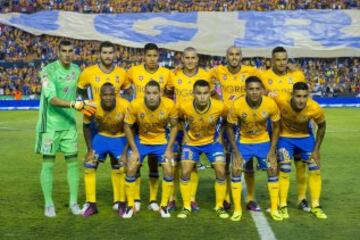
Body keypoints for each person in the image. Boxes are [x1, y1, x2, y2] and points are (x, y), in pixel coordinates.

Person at [35, 40, 94, 217]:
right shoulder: (47, 72)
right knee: (48, 163)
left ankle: (73, 203)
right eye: (64, 51)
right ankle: (48, 204)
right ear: (58, 52)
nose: (67, 54)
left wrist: (88, 103)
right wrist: (73, 104)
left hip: (69, 125)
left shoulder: (77, 70)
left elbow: (83, 92)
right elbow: (51, 99)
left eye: (70, 51)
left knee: (73, 163)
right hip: (50, 127)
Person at [77, 41, 131, 212]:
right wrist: (86, 103)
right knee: (91, 161)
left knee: (119, 163)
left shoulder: (121, 73)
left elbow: (129, 91)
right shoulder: (89, 72)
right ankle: (91, 203)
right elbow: (80, 89)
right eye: (105, 52)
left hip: (117, 125)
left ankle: (119, 201)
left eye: (110, 53)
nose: (108, 56)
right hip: (97, 125)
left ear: (115, 54)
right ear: (99, 54)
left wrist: (125, 104)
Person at [210, 45, 261, 211]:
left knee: (248, 163)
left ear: (241, 56)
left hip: (245, 123)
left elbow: (266, 82)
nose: (234, 57)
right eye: (231, 54)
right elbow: (201, 78)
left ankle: (251, 199)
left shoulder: (251, 72)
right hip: (224, 123)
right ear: (226, 56)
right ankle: (225, 199)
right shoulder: (217, 71)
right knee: (224, 162)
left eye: (237, 54)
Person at [260, 46, 311, 212]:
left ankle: (302, 198)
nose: (281, 63)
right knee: (279, 164)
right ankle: (278, 201)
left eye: (284, 59)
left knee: (301, 163)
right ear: (272, 60)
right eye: (278, 60)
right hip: (276, 125)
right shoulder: (264, 76)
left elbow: (305, 99)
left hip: (299, 125)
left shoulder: (297, 76)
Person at [226, 76, 282, 221]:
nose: (254, 92)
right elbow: (230, 129)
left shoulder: (270, 104)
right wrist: (236, 152)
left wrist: (272, 150)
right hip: (243, 142)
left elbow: (276, 127)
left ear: (262, 90)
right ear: (246, 90)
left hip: (263, 141)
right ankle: (237, 209)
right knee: (236, 169)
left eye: (257, 89)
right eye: (251, 89)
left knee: (272, 169)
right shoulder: (237, 105)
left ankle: (274, 209)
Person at [166, 47, 214, 212]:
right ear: (182, 59)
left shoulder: (205, 76)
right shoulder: (174, 75)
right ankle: (172, 199)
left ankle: (191, 199)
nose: (190, 61)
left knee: (191, 163)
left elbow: (211, 97)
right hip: (176, 126)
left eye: (193, 58)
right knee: (172, 164)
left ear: (197, 59)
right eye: (187, 57)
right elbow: (167, 94)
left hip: (195, 128)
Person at [127, 43, 172, 212]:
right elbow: (123, 87)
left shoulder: (166, 73)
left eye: (155, 56)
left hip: (157, 122)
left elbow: (169, 94)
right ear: (143, 56)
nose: (152, 59)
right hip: (137, 121)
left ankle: (153, 200)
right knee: (135, 162)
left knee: (154, 162)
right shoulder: (133, 71)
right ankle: (136, 198)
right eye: (149, 55)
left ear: (158, 56)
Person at [123, 80, 178, 218]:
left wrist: (169, 149)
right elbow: (127, 126)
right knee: (131, 166)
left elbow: (175, 126)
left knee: (168, 168)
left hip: (161, 141)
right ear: (144, 94)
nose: (151, 96)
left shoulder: (169, 105)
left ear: (160, 93)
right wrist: (134, 150)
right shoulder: (135, 105)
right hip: (141, 141)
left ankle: (163, 206)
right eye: (148, 93)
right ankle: (130, 205)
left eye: (154, 93)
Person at [273, 82, 327, 219]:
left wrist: (316, 150)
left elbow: (322, 127)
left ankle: (316, 205)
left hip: (306, 139)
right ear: (292, 95)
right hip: (285, 138)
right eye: (298, 96)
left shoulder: (314, 108)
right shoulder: (281, 100)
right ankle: (283, 205)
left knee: (315, 169)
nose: (301, 100)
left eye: (304, 96)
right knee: (284, 168)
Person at [176, 80, 228, 219]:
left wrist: (220, 136)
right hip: (192, 143)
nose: (202, 96)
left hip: (212, 142)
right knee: (186, 171)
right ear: (193, 93)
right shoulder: (185, 106)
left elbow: (227, 120)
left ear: (209, 94)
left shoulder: (219, 106)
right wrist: (185, 135)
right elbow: (179, 118)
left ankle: (219, 206)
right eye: (199, 93)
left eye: (205, 93)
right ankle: (186, 206)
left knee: (221, 171)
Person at [81, 83, 129, 217]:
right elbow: (85, 127)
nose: (108, 98)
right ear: (100, 96)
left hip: (119, 138)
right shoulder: (91, 106)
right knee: (89, 165)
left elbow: (131, 129)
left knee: (121, 168)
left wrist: (125, 152)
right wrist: (90, 149)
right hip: (101, 137)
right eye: (105, 95)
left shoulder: (125, 106)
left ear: (115, 95)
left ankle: (121, 203)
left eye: (111, 95)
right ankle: (91, 204)